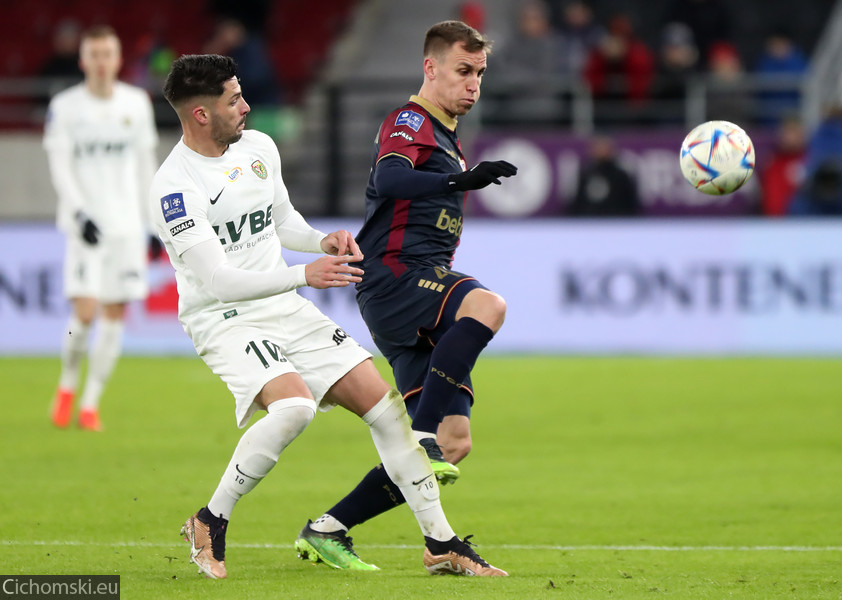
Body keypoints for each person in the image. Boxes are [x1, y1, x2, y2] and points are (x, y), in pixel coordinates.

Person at [152, 53, 506, 579]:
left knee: (386, 409)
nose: (246, 107)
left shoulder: (257, 147)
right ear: (201, 114)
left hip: (281, 306)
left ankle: (440, 543)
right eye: (234, 100)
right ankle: (209, 520)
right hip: (224, 317)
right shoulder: (175, 187)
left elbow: (281, 221)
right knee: (294, 407)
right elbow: (220, 281)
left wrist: (322, 240)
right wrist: (304, 273)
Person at [296, 19, 517, 571]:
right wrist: (461, 180)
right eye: (463, 71)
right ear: (430, 67)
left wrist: (459, 175)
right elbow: (391, 180)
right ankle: (421, 437)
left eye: (480, 73)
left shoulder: (446, 135)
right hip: (396, 276)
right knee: (487, 306)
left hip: (410, 288)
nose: (473, 84)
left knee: (455, 438)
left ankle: (330, 528)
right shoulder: (410, 120)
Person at [45, 25, 160, 432]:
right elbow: (60, 167)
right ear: (83, 61)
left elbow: (145, 166)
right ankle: (67, 383)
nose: (100, 62)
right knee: (85, 312)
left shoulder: (136, 104)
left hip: (126, 225)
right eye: (93, 54)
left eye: (106, 54)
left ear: (117, 59)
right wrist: (79, 214)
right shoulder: (65, 107)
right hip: (86, 227)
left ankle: (90, 403)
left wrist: (152, 224)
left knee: (114, 313)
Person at [569, 134, 640, 216]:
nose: (601, 151)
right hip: (589, 220)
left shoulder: (621, 176)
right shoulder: (585, 175)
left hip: (616, 220)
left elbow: (629, 204)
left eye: (605, 147)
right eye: (598, 147)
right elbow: (577, 203)